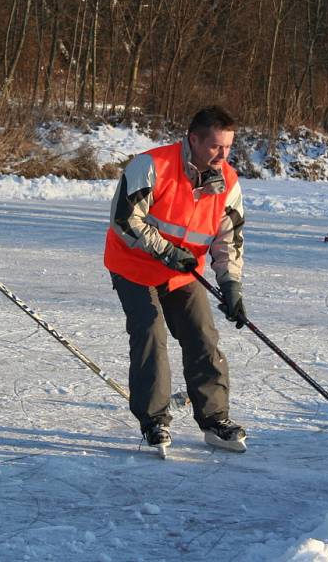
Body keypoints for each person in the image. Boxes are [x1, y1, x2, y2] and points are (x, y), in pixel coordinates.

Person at [104, 105, 248, 453]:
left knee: (202, 336)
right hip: (134, 267)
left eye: (228, 147)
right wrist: (166, 251)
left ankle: (215, 420)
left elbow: (228, 238)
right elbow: (125, 220)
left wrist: (230, 286)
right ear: (194, 139)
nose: (223, 155)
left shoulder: (226, 180)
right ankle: (154, 419)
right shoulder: (151, 166)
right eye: (216, 146)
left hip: (184, 273)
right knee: (151, 333)